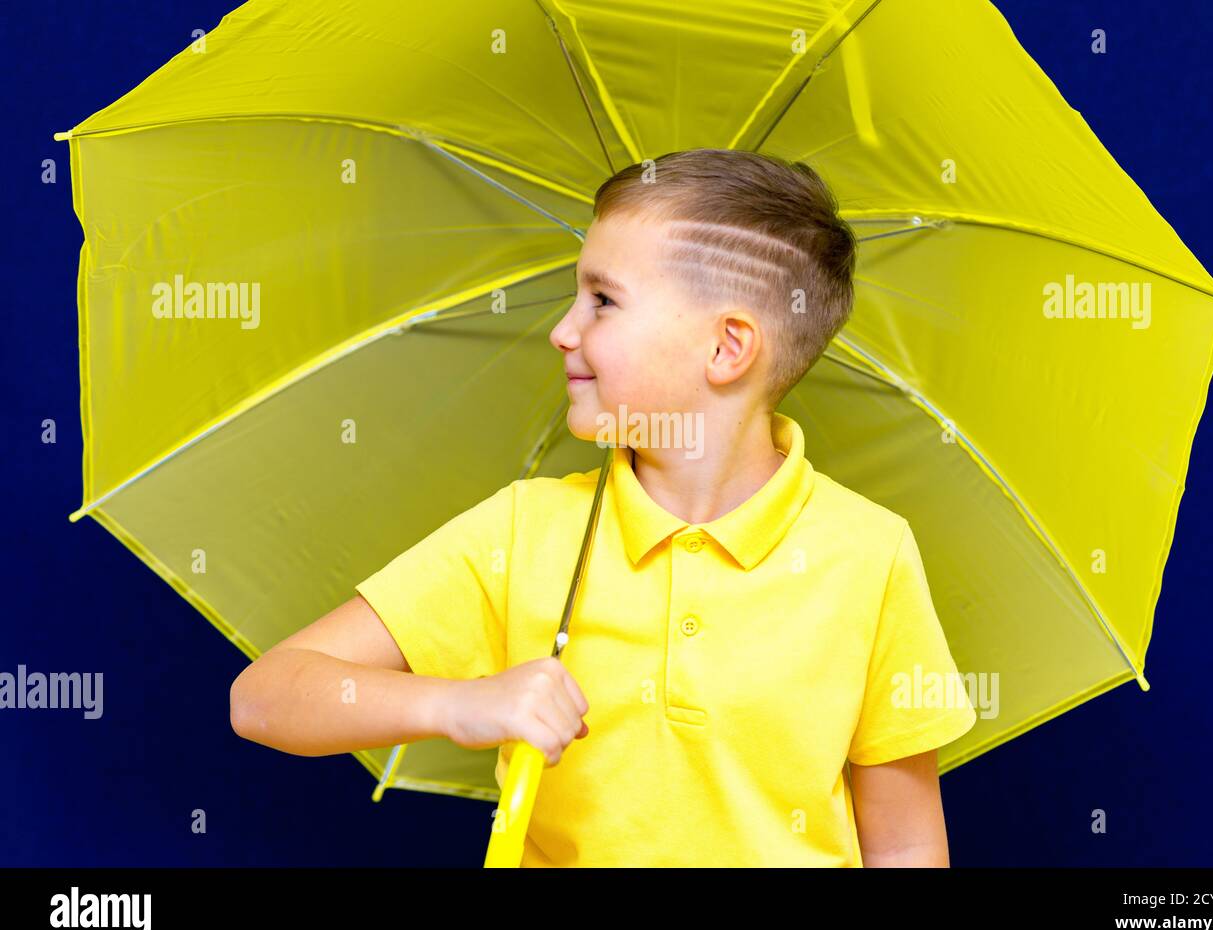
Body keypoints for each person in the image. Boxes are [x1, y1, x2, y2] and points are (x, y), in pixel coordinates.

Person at [230, 148, 977, 866]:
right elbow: (263, 697)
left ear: (727, 348)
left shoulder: (870, 556)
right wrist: (459, 703)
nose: (563, 331)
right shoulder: (524, 531)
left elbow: (905, 846)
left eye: (602, 300)